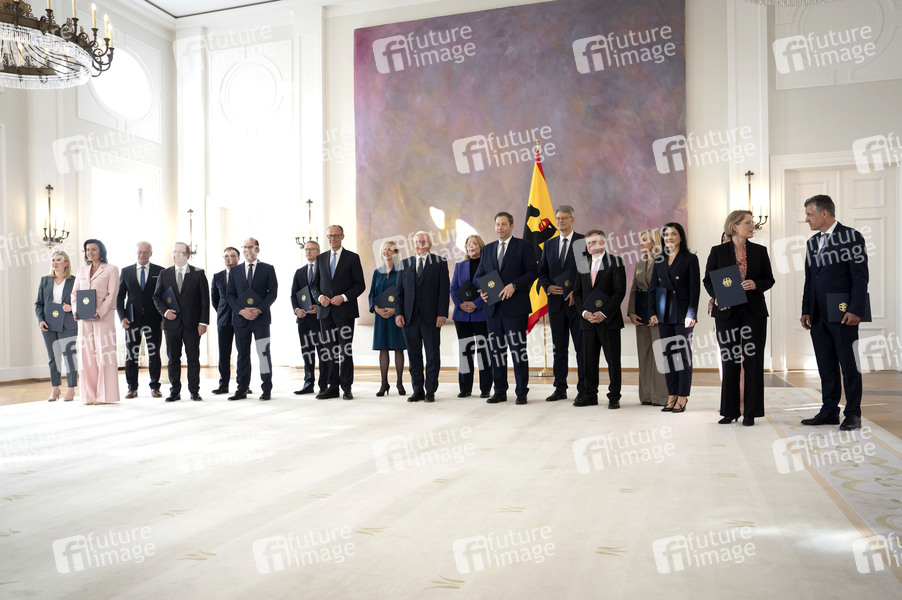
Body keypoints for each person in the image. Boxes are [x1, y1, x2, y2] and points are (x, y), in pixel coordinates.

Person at [799, 194, 869, 431]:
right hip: (817, 314)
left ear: (824, 213)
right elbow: (810, 279)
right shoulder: (812, 242)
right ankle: (829, 411)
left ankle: (853, 414)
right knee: (825, 364)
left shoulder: (851, 236)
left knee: (849, 365)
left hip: (843, 312)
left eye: (809, 214)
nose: (807, 219)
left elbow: (860, 276)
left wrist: (855, 309)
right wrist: (806, 309)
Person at [703, 211, 775, 426]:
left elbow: (769, 279)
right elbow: (708, 280)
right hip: (727, 311)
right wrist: (717, 296)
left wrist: (756, 284)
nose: (753, 226)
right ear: (734, 226)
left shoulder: (760, 251)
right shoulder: (717, 251)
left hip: (754, 312)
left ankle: (751, 412)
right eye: (748, 223)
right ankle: (730, 411)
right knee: (730, 361)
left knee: (753, 361)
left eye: (752, 222)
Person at [474, 211, 538, 405]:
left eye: (503, 224)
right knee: (497, 352)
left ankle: (521, 392)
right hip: (493, 309)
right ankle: (500, 391)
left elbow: (533, 272)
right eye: (497, 224)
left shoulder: (524, 246)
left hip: (515, 308)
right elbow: (480, 275)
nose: (500, 228)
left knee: (518, 351)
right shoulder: (488, 249)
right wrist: (483, 291)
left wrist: (515, 285)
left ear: (511, 226)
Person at [309, 225, 365, 400]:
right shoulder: (320, 258)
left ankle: (346, 387)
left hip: (345, 312)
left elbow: (360, 285)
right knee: (329, 351)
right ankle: (332, 387)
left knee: (345, 350)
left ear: (342, 237)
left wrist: (344, 297)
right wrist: (320, 298)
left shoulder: (352, 258)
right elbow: (314, 285)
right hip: (325, 312)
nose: (332, 239)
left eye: (335, 235)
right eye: (329, 236)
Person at [648, 223, 699, 413]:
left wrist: (691, 314)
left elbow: (695, 289)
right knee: (668, 356)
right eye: (666, 234)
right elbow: (653, 288)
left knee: (682, 355)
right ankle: (672, 395)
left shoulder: (690, 259)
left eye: (673, 234)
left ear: (681, 237)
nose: (669, 237)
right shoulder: (659, 259)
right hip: (664, 312)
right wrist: (652, 312)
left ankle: (683, 396)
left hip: (683, 313)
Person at [537, 205, 586, 402]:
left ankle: (584, 389)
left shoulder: (582, 242)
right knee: (559, 349)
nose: (560, 221)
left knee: (581, 348)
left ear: (572, 220)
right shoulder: (548, 245)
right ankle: (560, 388)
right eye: (558, 218)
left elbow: (587, 272)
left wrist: (578, 292)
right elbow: (542, 272)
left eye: (564, 218)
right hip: (556, 305)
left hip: (577, 305)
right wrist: (548, 287)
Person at [572, 229, 626, 408]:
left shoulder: (615, 262)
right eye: (588, 243)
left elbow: (619, 292)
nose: (591, 245)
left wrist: (603, 313)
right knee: (588, 361)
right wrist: (584, 313)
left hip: (608, 321)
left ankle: (614, 396)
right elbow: (577, 293)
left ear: (603, 242)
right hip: (587, 322)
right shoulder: (582, 264)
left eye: (594, 242)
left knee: (613, 360)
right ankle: (590, 395)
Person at [395, 232, 450, 402]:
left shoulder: (440, 263)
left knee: (432, 354)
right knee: (414, 355)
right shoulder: (405, 264)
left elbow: (444, 291)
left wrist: (442, 313)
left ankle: (430, 390)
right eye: (417, 242)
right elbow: (399, 292)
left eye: (424, 242)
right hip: (409, 318)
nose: (420, 245)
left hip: (431, 318)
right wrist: (398, 313)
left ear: (430, 244)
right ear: (414, 244)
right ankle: (417, 390)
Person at [153, 242, 210, 402]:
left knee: (193, 358)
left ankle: (194, 391)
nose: (175, 254)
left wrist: (203, 322)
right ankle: (174, 391)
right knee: (173, 359)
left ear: (187, 255)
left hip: (192, 324)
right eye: (174, 251)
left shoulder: (198, 273)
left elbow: (205, 300)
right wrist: (165, 312)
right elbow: (156, 297)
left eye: (179, 252)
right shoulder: (164, 274)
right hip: (171, 324)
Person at [226, 237, 278, 401]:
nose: (247, 250)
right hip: (241, 320)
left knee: (263, 353)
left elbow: (272, 293)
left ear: (257, 249)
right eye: (244, 247)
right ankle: (241, 389)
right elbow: (229, 295)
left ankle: (266, 389)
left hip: (261, 319)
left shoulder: (268, 269)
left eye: (250, 247)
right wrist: (241, 311)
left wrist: (258, 309)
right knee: (242, 355)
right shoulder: (235, 271)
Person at [72, 239, 120, 405]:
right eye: (87, 249)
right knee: (87, 356)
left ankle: (104, 396)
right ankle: (89, 396)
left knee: (104, 354)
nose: (90, 252)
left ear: (101, 251)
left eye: (93, 249)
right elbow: (75, 293)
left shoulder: (112, 269)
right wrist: (76, 310)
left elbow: (112, 294)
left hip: (103, 317)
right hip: (84, 318)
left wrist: (99, 312)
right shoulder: (81, 270)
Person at [116, 241, 164, 399]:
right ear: (136, 253)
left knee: (154, 354)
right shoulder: (126, 271)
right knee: (131, 354)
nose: (142, 255)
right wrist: (122, 317)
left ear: (151, 253)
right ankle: (132, 388)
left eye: (145, 252)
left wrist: (163, 318)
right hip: (132, 320)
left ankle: (155, 387)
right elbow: (120, 297)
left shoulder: (160, 271)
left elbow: (165, 297)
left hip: (154, 319)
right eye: (139, 252)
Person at [626, 229, 668, 407]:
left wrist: (656, 313)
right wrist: (631, 312)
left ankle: (660, 397)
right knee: (644, 353)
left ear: (654, 242)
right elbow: (634, 288)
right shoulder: (639, 262)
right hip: (641, 312)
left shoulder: (664, 261)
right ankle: (646, 395)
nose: (640, 243)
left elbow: (665, 290)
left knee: (659, 353)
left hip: (658, 313)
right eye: (640, 240)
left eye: (644, 240)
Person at [450, 234, 492, 399]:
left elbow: (491, 288)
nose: (471, 247)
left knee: (484, 353)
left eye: (474, 244)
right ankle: (465, 388)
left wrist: (476, 304)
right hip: (461, 316)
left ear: (480, 246)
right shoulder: (460, 266)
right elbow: (453, 288)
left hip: (481, 314)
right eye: (468, 244)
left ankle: (485, 388)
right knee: (465, 352)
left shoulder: (488, 266)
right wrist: (460, 304)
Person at [34, 250, 78, 401]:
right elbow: (38, 304)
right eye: (53, 260)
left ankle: (71, 388)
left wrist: (72, 308)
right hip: (49, 323)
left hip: (68, 322)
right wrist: (40, 320)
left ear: (66, 263)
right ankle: (55, 388)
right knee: (53, 357)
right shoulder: (45, 280)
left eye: (58, 260)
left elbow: (81, 301)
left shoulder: (74, 281)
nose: (55, 263)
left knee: (69, 356)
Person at [367, 240, 406, 397]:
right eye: (384, 249)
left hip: (396, 316)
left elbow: (406, 294)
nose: (386, 252)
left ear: (395, 252)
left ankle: (399, 383)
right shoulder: (378, 272)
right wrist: (376, 309)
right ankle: (384, 383)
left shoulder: (401, 271)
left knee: (398, 348)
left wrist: (396, 310)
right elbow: (372, 295)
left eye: (390, 249)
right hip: (381, 317)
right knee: (383, 348)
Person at [210, 247, 246, 395]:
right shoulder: (217, 276)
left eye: (232, 256)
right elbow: (214, 299)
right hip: (223, 320)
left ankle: (243, 385)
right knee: (224, 353)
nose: (228, 258)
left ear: (238, 258)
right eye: (225, 256)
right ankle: (223, 385)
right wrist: (221, 312)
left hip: (242, 318)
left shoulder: (244, 274)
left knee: (243, 353)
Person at [291, 240, 325, 395]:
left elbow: (327, 293)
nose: (308, 252)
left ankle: (323, 384)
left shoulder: (324, 270)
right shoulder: (299, 272)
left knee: (323, 352)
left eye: (312, 249)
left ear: (318, 251)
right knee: (307, 352)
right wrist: (297, 309)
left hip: (320, 318)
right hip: (303, 319)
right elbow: (293, 295)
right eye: (306, 249)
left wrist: (320, 307)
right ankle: (308, 383)